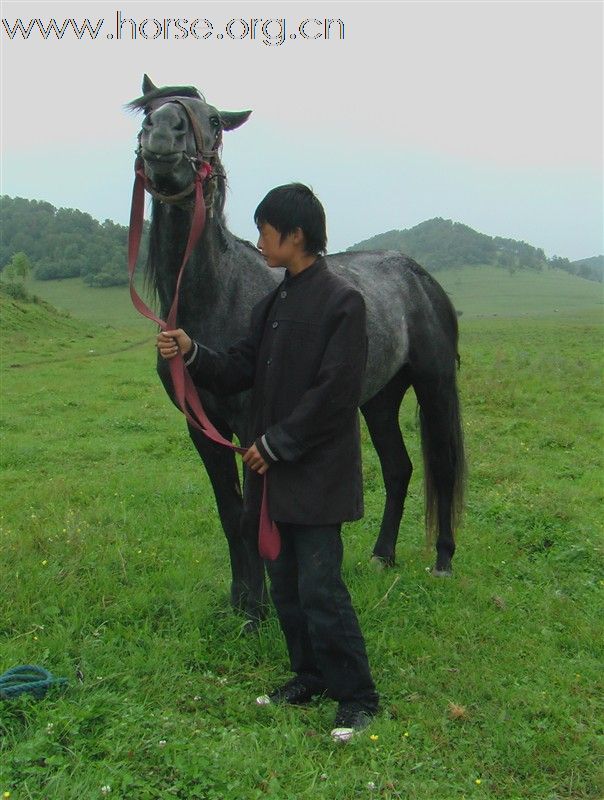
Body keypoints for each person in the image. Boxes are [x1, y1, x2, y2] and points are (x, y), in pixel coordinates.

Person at [157, 183, 379, 741]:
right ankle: (309, 676)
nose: (258, 243)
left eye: (265, 231)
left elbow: (335, 393)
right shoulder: (273, 303)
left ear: (295, 235)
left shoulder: (343, 303)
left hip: (315, 474)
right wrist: (192, 352)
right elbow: (239, 368)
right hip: (271, 474)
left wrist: (278, 442)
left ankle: (357, 696)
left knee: (321, 588)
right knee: (284, 583)